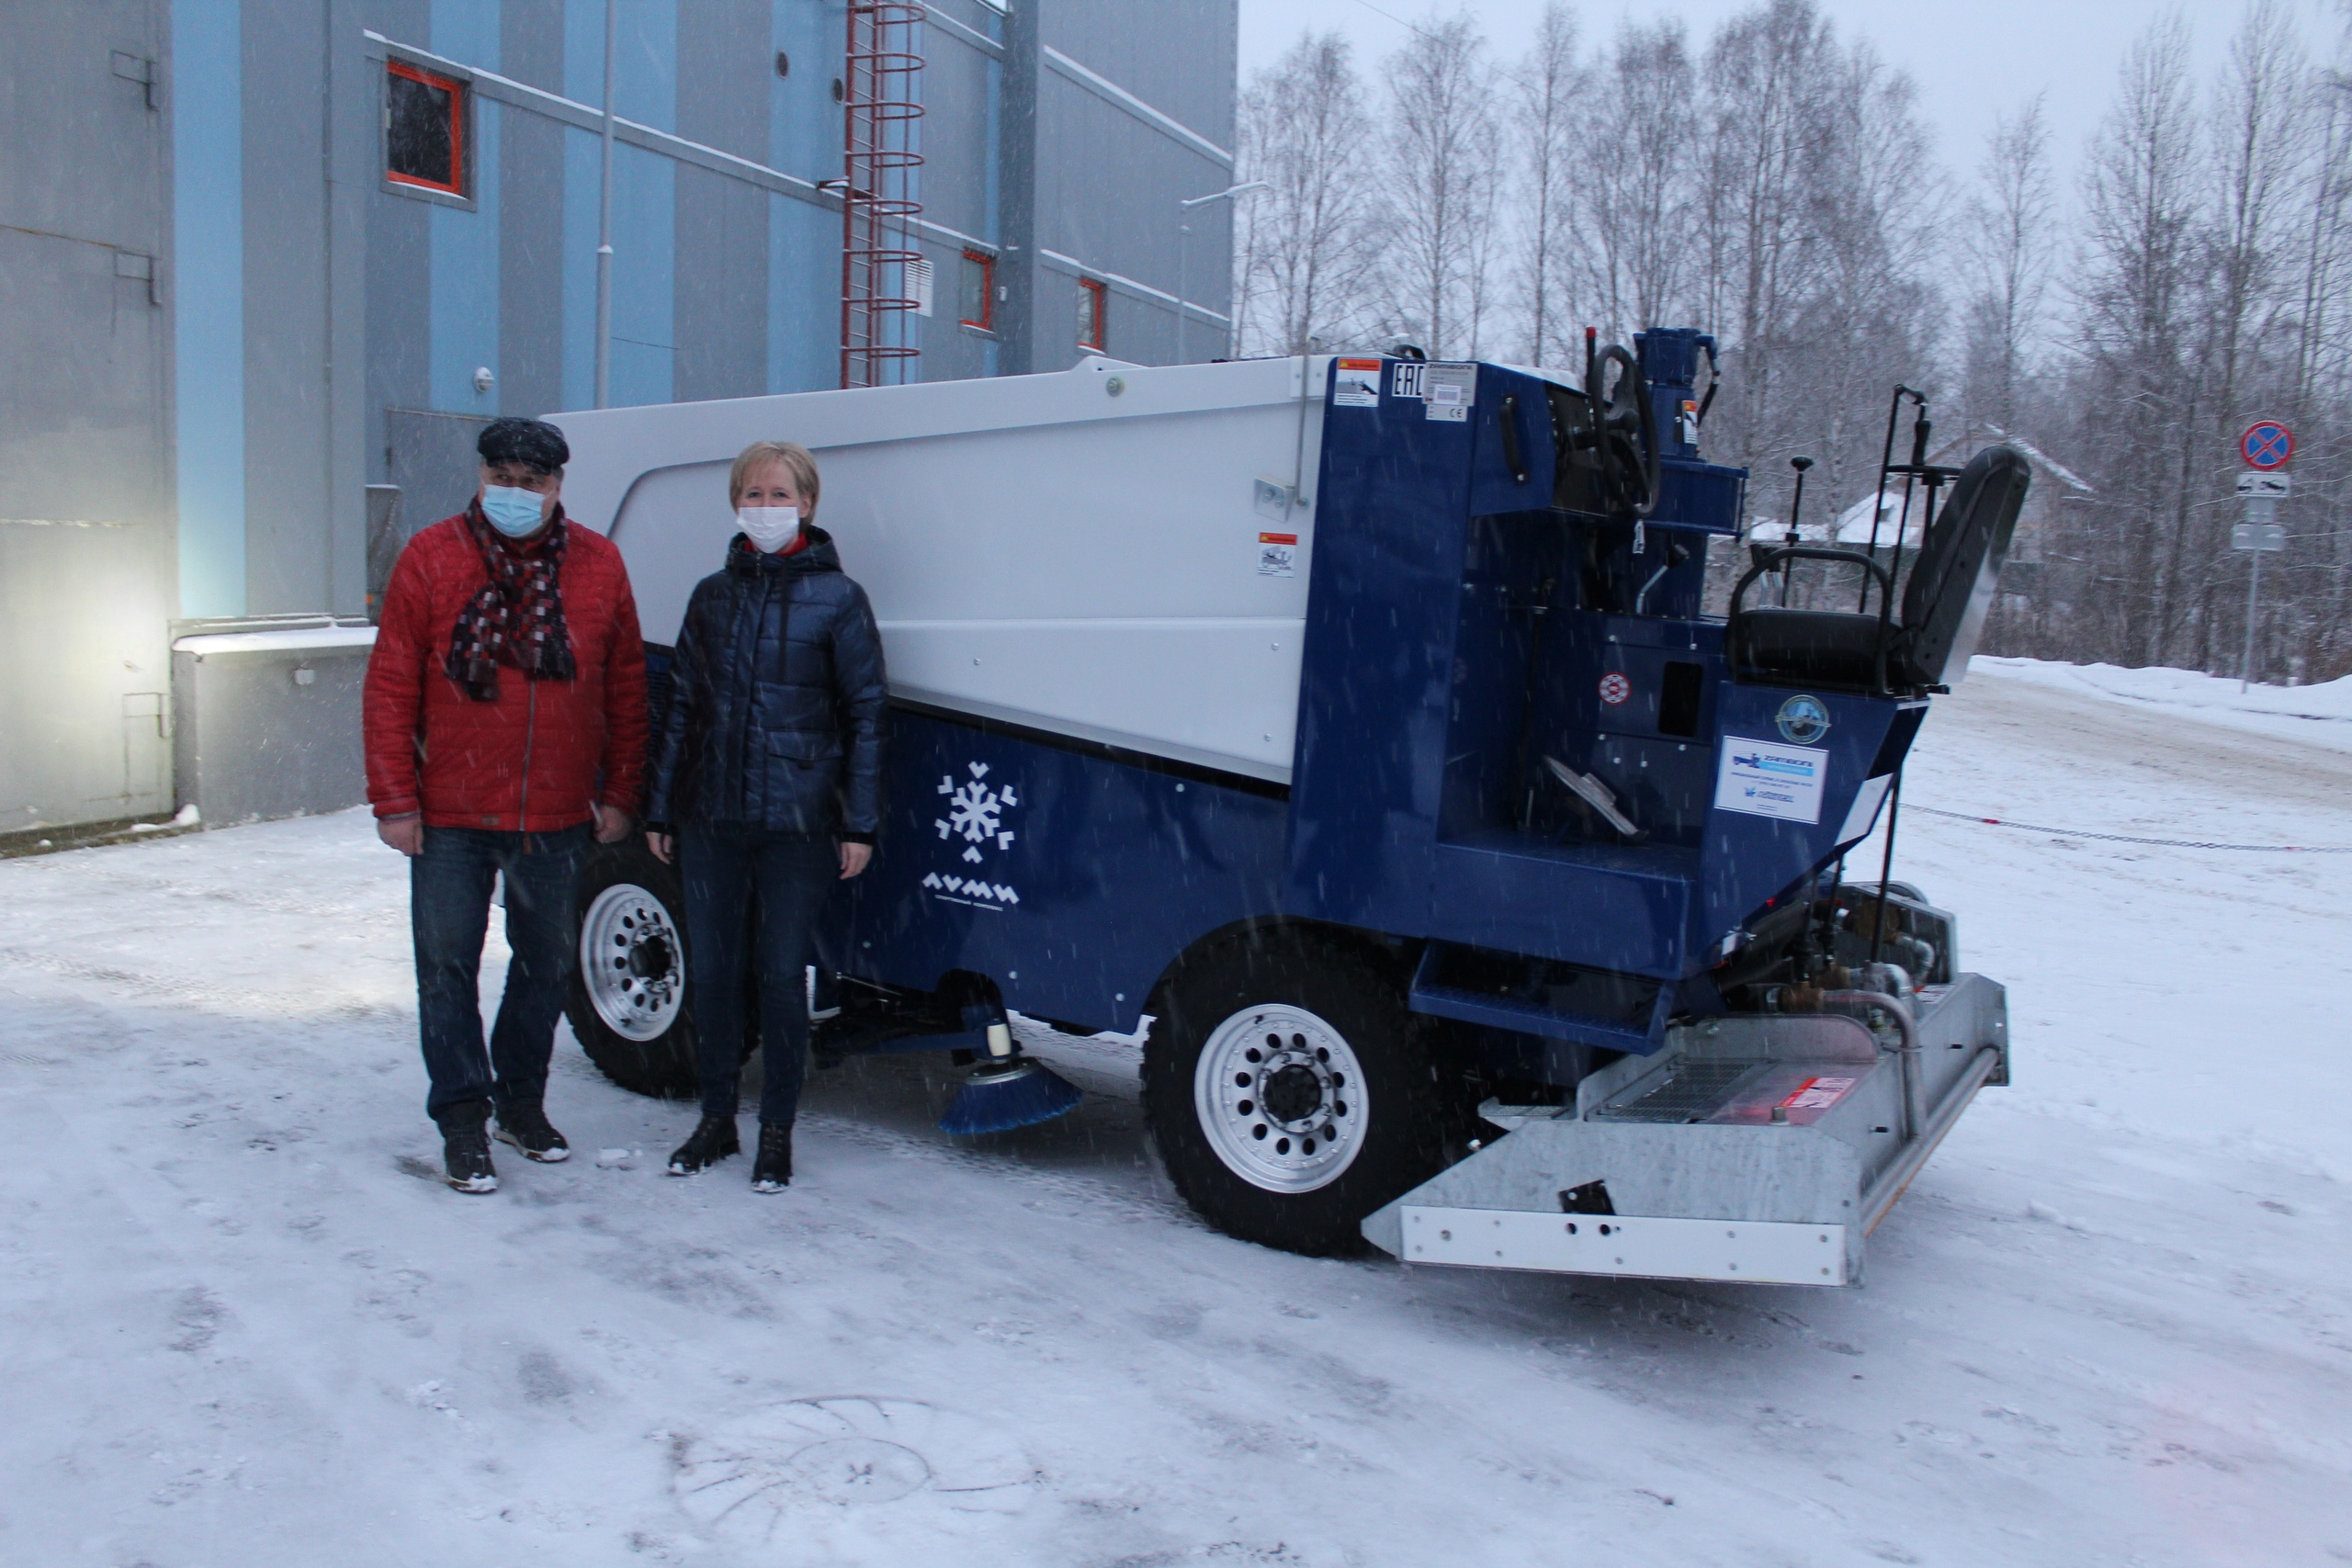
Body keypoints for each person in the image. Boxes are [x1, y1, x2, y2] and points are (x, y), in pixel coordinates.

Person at [364, 416, 648, 1193]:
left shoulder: (597, 564)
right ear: (482, 476)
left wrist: (621, 790)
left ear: (559, 486)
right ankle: (462, 1119)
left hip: (556, 816)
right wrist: (395, 798)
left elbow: (625, 686)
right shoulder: (431, 556)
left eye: (533, 481)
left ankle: (519, 1103)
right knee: (447, 970)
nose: (516, 493)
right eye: (503, 478)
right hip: (450, 812)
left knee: (548, 964)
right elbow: (391, 685)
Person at [646, 439, 886, 1192]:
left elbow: (866, 716)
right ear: (736, 504)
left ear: (808, 504)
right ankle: (717, 1116)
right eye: (752, 494)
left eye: (779, 494)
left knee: (781, 977)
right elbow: (680, 706)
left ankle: (776, 1131)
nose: (766, 507)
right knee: (713, 974)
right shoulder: (711, 596)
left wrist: (859, 822)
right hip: (712, 820)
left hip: (798, 827)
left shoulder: (841, 600)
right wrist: (660, 806)